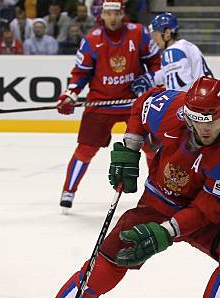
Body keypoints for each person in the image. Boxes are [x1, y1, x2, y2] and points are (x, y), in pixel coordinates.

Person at [15, 77, 220, 298]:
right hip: (158, 203)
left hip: (210, 216)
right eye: (197, 121)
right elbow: (142, 104)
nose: (204, 129)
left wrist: (167, 231)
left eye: (212, 121)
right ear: (187, 114)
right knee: (108, 258)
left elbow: (208, 210)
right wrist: (130, 147)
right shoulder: (173, 108)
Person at [56, 0, 160, 211]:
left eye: (116, 13)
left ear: (123, 14)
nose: (112, 18)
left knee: (152, 146)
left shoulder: (138, 33)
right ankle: (68, 191)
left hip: (134, 103)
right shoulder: (92, 40)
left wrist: (150, 80)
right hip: (101, 103)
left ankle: (159, 192)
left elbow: (156, 63)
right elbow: (81, 73)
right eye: (108, 13)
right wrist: (70, 94)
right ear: (101, 15)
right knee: (85, 149)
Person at [131, 12, 212, 96]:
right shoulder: (185, 46)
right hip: (205, 97)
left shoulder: (172, 52)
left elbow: (178, 93)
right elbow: (170, 73)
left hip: (196, 103)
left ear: (167, 33)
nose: (154, 39)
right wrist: (151, 79)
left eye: (155, 33)